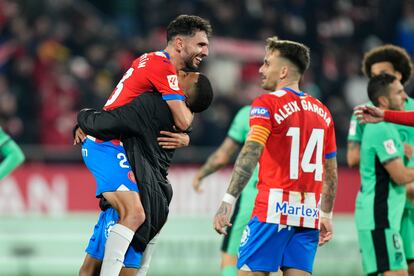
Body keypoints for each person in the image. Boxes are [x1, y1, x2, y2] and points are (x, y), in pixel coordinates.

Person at [76, 14, 212, 276]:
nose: (206, 52)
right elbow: (183, 119)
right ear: (180, 44)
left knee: (124, 222)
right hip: (107, 142)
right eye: (201, 45)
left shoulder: (157, 66)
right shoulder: (162, 67)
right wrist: (186, 133)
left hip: (117, 143)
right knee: (136, 214)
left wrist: (186, 136)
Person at [213, 37, 337, 276]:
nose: (261, 70)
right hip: (308, 213)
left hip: (272, 210)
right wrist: (326, 215)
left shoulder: (266, 103)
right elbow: (330, 170)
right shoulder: (323, 111)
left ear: (283, 70)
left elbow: (250, 152)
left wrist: (228, 200)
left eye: (267, 63)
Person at [349, 45, 414, 275]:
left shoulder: (386, 121)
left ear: (399, 75)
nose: (404, 96)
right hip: (383, 211)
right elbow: (399, 174)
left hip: (394, 211)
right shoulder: (371, 121)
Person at [192, 105, 258, 276]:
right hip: (288, 201)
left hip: (253, 197)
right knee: (276, 264)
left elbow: (222, 156)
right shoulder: (309, 113)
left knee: (231, 258)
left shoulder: (251, 113)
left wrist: (200, 174)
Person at [347, 44, 413, 167]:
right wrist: (394, 153)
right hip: (377, 185)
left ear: (398, 75)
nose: (377, 79)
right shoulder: (364, 112)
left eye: (383, 73)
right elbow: (353, 160)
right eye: (373, 75)